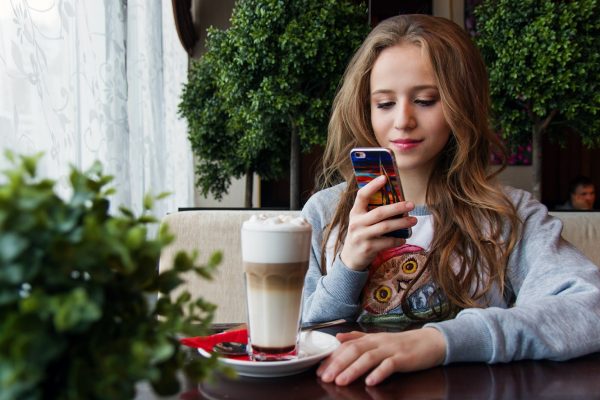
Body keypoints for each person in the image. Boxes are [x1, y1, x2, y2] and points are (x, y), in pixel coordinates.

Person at [300, 14, 600, 387]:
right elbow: (290, 337)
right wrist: (348, 267)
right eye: (385, 103)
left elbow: (590, 309)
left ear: (463, 105)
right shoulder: (325, 213)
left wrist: (440, 340)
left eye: (426, 100)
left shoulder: (509, 216)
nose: (403, 121)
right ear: (365, 108)